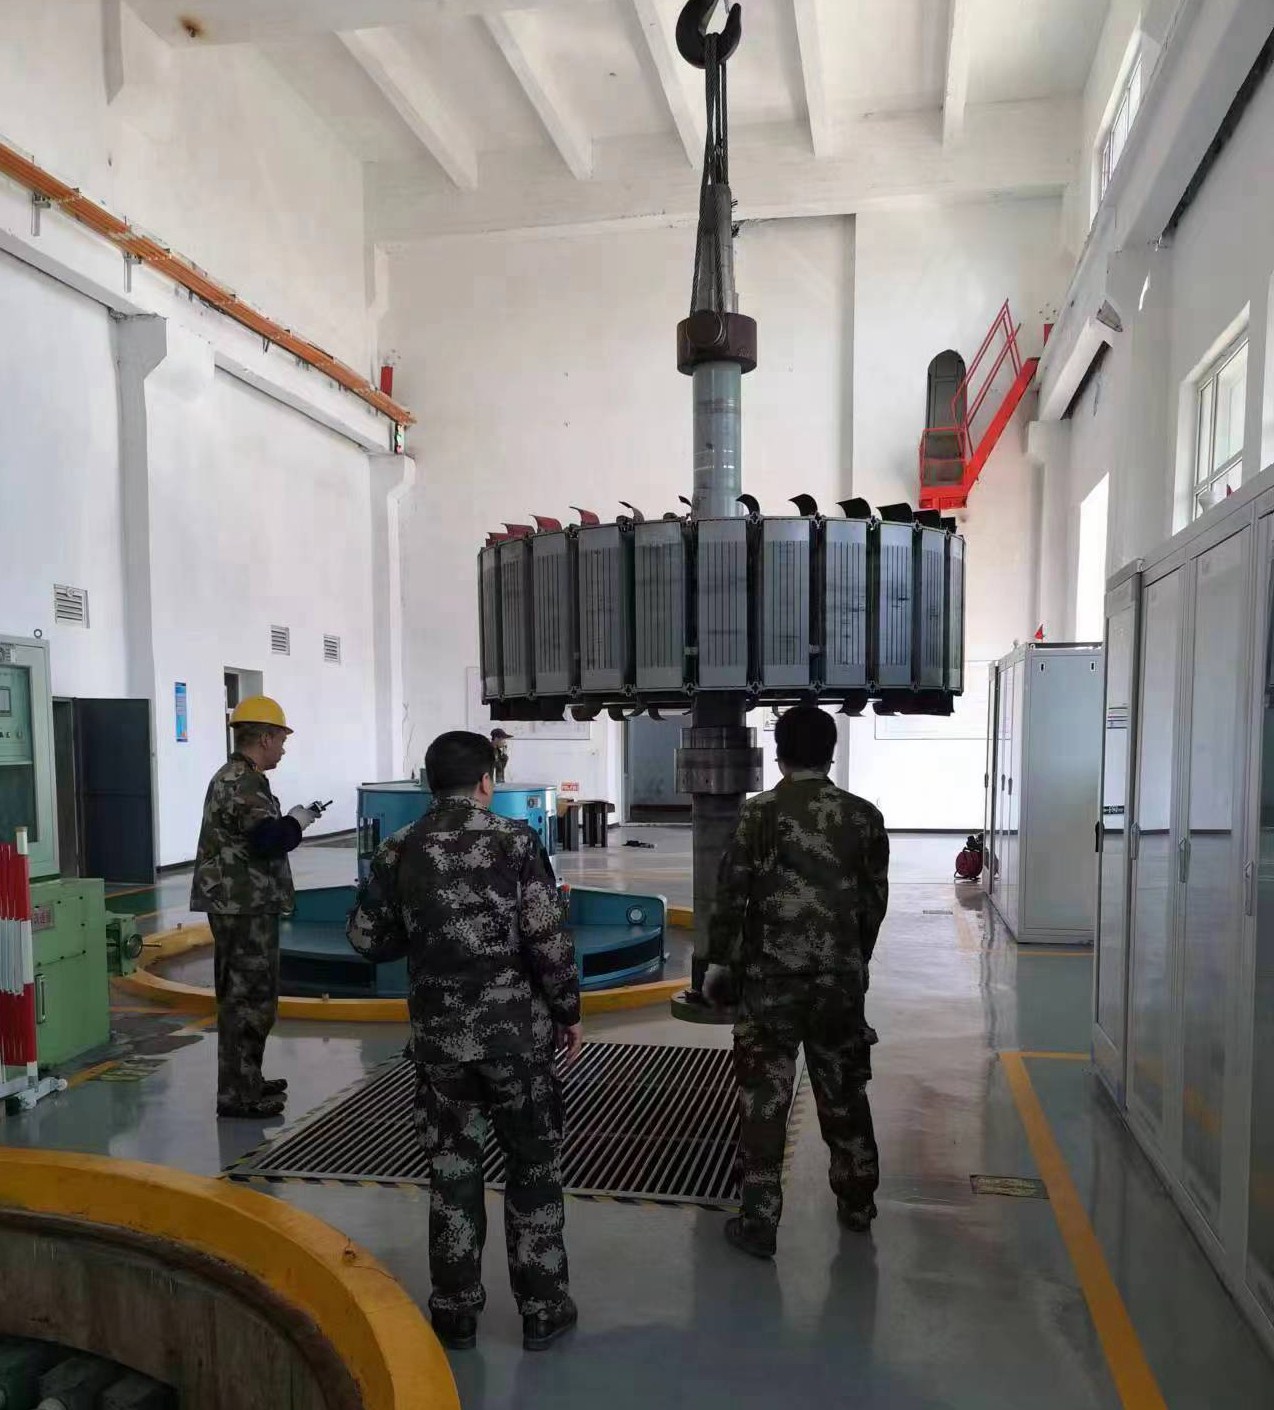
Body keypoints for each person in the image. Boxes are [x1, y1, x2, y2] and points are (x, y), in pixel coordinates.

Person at [348, 729, 581, 1353]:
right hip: (517, 1043)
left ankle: (454, 1313)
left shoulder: (399, 848)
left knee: (452, 1172)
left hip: (440, 1045)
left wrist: (427, 933)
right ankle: (542, 1309)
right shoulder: (515, 841)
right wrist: (568, 1011)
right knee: (533, 1167)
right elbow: (547, 940)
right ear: (486, 781)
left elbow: (367, 939)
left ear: (431, 782)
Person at [704, 705, 889, 1258]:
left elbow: (731, 895)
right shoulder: (863, 817)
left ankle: (759, 1222)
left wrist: (720, 964)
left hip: (770, 985)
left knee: (764, 1100)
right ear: (831, 752)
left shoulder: (758, 814)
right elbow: (874, 902)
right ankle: (857, 1203)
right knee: (844, 1091)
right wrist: (853, 960)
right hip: (839, 984)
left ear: (779, 754)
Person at [191, 696, 321, 1119]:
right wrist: (297, 822)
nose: (283, 749)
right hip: (243, 904)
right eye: (281, 740)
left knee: (244, 994)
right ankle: (238, 1095)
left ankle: (246, 1078)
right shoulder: (243, 782)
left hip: (240, 901)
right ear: (265, 738)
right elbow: (269, 840)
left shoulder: (235, 777)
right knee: (248, 998)